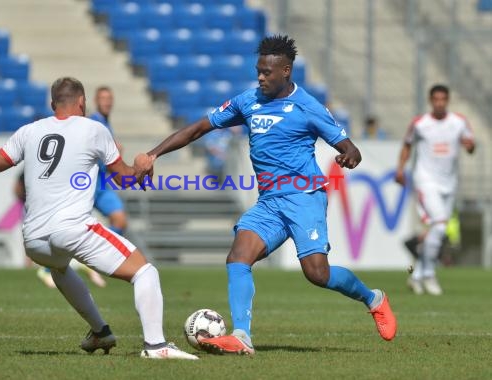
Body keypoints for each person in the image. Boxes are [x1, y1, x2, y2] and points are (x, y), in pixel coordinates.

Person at [142, 35, 397, 355]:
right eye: (258, 70)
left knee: (317, 273)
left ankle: (373, 299)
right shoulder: (248, 101)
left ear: (286, 71)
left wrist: (348, 157)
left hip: (305, 198)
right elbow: (198, 129)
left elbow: (350, 149)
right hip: (269, 202)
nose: (260, 77)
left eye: (267, 72)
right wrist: (153, 155)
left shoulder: (308, 106)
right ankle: (242, 336)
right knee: (238, 257)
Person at [0, 77, 198, 360]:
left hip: (33, 240)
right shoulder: (95, 129)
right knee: (145, 272)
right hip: (72, 228)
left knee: (59, 269)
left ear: (51, 104)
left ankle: (100, 332)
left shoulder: (29, 131)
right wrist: (145, 163)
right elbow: (125, 176)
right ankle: (156, 346)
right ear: (82, 102)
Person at [395, 84, 475, 296]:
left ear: (447, 100)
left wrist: (469, 145)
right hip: (426, 181)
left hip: (449, 183)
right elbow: (407, 145)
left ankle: (417, 275)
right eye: (436, 99)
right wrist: (401, 169)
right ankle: (429, 274)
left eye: (443, 99)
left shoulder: (458, 122)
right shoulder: (420, 124)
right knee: (439, 226)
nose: (440, 103)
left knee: (436, 230)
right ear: (431, 101)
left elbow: (471, 145)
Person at [14, 171, 107, 289]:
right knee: (46, 238)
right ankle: (46, 269)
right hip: (38, 207)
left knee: (66, 236)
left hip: (52, 206)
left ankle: (78, 266)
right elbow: (18, 186)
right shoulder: (33, 167)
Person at [89, 86, 127, 236]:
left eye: (109, 99)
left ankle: (100, 253)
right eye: (103, 99)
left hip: (102, 183)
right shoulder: (93, 122)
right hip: (87, 183)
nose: (106, 102)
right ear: (96, 101)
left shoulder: (105, 123)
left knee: (120, 220)